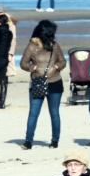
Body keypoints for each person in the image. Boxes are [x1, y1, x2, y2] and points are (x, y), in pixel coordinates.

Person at [19, 20, 67, 150]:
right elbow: (23, 63)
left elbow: (63, 61)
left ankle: (55, 141)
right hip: (38, 82)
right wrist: (33, 67)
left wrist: (56, 66)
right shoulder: (32, 46)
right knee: (33, 113)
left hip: (55, 82)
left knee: (54, 113)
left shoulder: (55, 45)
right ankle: (28, 141)